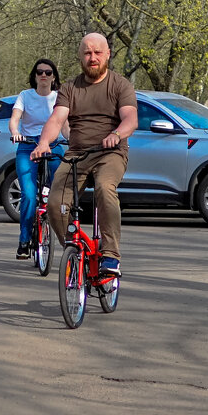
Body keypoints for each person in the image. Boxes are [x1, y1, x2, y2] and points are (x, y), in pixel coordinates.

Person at [32, 33, 137, 277]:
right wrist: (44, 143)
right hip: (77, 154)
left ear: (107, 54)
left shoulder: (120, 85)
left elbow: (131, 118)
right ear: (80, 56)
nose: (93, 58)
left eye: (98, 53)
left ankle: (110, 255)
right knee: (55, 204)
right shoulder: (70, 88)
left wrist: (117, 134)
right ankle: (75, 247)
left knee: (104, 187)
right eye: (87, 53)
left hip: (110, 153)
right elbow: (57, 118)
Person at [9, 59, 67, 260]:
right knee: (28, 194)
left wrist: (73, 140)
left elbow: (65, 126)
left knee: (58, 190)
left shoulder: (59, 98)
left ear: (54, 76)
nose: (43, 75)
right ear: (34, 76)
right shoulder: (25, 96)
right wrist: (16, 132)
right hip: (28, 146)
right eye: (39, 72)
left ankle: (58, 229)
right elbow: (15, 119)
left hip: (53, 146)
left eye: (48, 72)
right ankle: (24, 241)